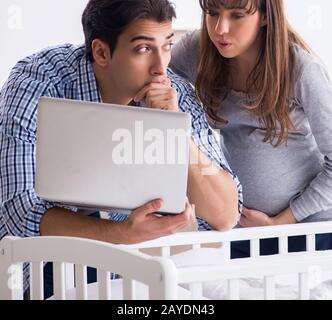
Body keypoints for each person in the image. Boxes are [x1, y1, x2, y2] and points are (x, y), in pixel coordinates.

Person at [0, 0, 242, 297]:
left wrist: (175, 132)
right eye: (143, 49)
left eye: (166, 46)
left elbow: (226, 214)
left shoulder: (173, 92)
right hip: (39, 264)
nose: (160, 68)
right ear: (101, 52)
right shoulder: (38, 80)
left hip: (129, 263)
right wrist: (123, 235)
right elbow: (18, 210)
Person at [170, 0, 332, 256]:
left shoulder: (302, 70)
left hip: (310, 230)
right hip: (244, 230)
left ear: (266, 16)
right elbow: (153, 73)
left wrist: (281, 223)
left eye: (236, 16)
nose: (220, 28)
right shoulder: (198, 50)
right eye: (212, 13)